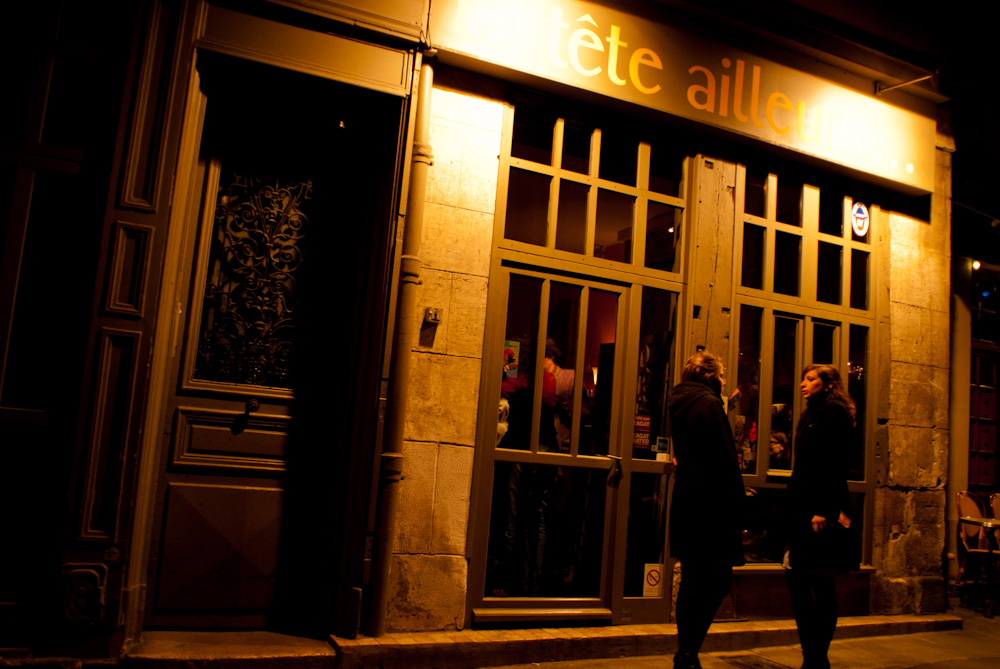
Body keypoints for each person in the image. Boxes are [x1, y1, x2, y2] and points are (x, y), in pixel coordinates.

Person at [667, 351, 746, 669]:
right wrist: (739, 507)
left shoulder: (681, 402)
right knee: (717, 580)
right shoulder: (710, 404)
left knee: (692, 577)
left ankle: (686, 652)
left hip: (689, 499)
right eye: (721, 375)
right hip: (712, 505)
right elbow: (724, 459)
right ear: (709, 376)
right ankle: (688, 652)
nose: (724, 381)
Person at [784, 363, 857, 669]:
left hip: (820, 512)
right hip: (802, 510)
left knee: (821, 584)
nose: (803, 383)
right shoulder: (809, 414)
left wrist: (824, 509)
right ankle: (811, 656)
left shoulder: (834, 411)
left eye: (811, 379)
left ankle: (817, 658)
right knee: (797, 580)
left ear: (828, 384)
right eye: (802, 378)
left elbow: (836, 464)